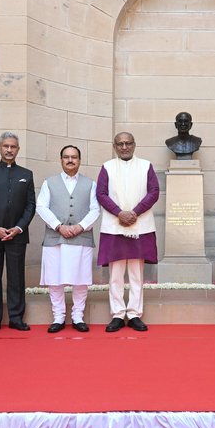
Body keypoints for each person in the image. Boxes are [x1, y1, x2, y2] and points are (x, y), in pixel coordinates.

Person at [97, 132, 159, 332]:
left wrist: (134, 213)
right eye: (120, 144)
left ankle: (133, 313)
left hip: (139, 225)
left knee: (136, 273)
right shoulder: (107, 167)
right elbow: (101, 193)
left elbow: (154, 191)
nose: (124, 147)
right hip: (114, 226)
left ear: (134, 144)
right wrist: (119, 213)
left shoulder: (146, 165)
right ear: (114, 146)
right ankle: (117, 314)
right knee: (115, 274)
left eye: (128, 143)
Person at [36, 145, 100, 333]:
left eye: (74, 157)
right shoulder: (49, 182)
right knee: (55, 279)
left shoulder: (90, 184)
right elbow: (41, 207)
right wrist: (58, 226)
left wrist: (80, 227)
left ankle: (78, 316)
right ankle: (58, 317)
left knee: (80, 280)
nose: (70, 160)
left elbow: (95, 209)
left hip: (82, 238)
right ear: (61, 160)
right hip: (55, 238)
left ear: (79, 160)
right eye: (66, 157)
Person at [0, 132, 35, 334]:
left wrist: (18, 228)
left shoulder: (26, 174)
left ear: (18, 149)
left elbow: (30, 206)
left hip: (17, 235)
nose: (9, 150)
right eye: (6, 146)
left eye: (13, 147)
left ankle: (16, 318)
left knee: (16, 279)